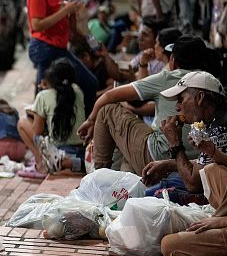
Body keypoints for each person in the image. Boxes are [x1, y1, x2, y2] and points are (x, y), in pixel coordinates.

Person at [77, 35, 209, 175]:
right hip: (200, 159)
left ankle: (98, 178)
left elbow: (110, 95)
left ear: (173, 61)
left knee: (107, 110)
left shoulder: (168, 77)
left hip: (163, 155)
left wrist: (90, 120)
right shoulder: (212, 81)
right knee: (129, 155)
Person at [141, 71, 227, 203]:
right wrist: (167, 165)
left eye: (180, 100)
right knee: (165, 182)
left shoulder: (220, 128)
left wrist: (175, 143)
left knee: (155, 194)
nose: (177, 108)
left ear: (200, 98)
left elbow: (193, 184)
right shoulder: (222, 117)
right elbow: (208, 162)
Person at [26, 0, 98, 115]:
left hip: (56, 48)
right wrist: (65, 9)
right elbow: (37, 25)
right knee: (42, 94)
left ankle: (82, 125)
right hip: (46, 47)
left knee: (87, 84)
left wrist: (69, 9)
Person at [17, 58, 87, 178]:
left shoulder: (43, 96)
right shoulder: (79, 92)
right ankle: (72, 164)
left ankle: (41, 165)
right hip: (80, 150)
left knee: (22, 123)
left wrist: (36, 111)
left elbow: (37, 130)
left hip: (57, 151)